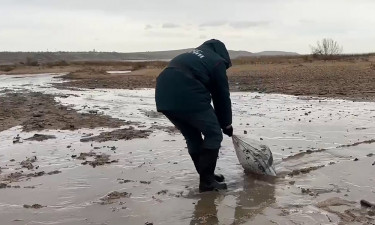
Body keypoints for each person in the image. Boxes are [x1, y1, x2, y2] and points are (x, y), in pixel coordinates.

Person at [155, 39, 233, 192]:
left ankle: (207, 177)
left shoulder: (191, 56)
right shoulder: (217, 62)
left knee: (192, 136)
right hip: (187, 93)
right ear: (223, 53)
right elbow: (221, 96)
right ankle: (207, 181)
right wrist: (226, 124)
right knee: (214, 134)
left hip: (163, 97)